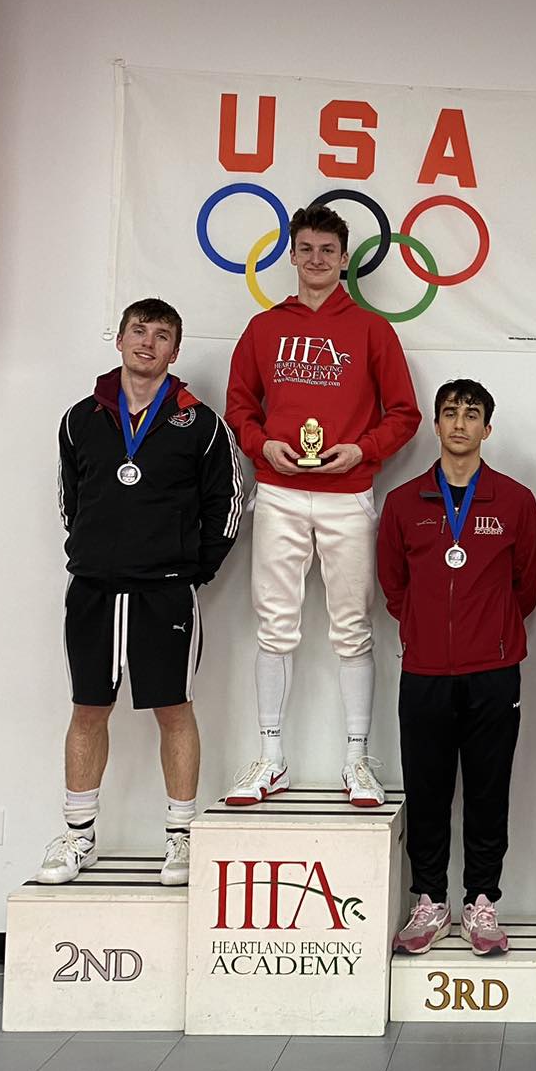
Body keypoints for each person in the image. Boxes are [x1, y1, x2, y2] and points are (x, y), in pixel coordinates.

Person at [40, 298, 243, 886]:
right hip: (94, 588)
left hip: (165, 592)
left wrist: (190, 570)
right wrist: (94, 552)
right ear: (121, 339)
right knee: (87, 709)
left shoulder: (200, 423)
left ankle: (180, 837)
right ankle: (79, 838)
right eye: (138, 331)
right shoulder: (80, 419)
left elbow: (228, 504)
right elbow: (71, 498)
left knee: (173, 709)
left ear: (175, 351)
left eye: (160, 335)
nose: (147, 343)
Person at [225, 204, 421, 807]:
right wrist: (263, 446)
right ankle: (271, 758)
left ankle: (357, 759)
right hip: (279, 492)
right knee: (274, 624)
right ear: (292, 254)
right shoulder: (263, 328)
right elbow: (239, 406)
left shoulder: (372, 330)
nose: (316, 260)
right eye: (306, 249)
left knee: (353, 628)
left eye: (327, 251)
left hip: (348, 494)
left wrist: (362, 450)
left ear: (344, 259)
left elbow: (405, 414)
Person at [378, 380, 536, 956]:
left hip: (493, 671)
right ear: (436, 424)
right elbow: (393, 585)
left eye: (472, 415)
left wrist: (490, 632)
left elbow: (526, 585)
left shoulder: (515, 500)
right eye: (450, 413)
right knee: (426, 790)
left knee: (488, 789)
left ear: (487, 429)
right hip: (424, 671)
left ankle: (481, 900)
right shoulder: (403, 503)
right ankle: (429, 899)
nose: (459, 423)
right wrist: (423, 627)